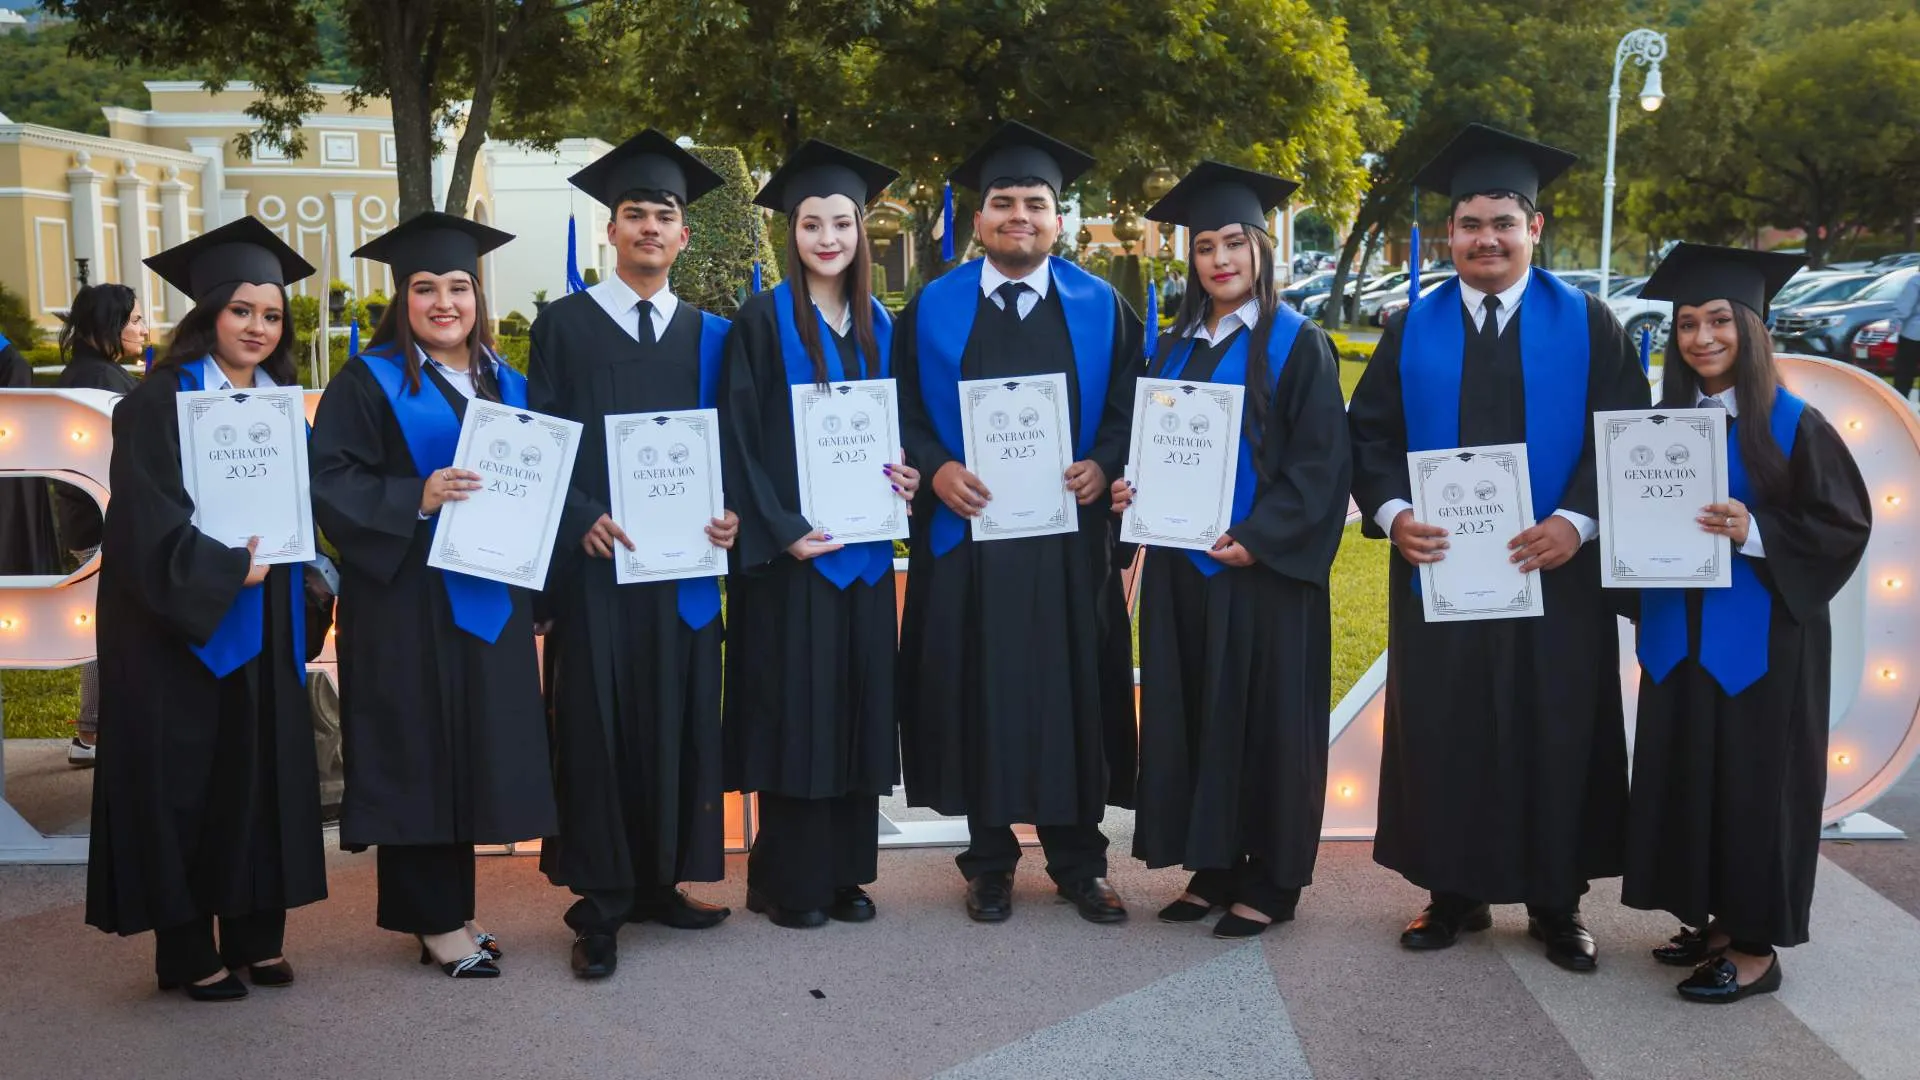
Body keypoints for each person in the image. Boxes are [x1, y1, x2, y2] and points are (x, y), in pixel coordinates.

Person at [1347, 125, 1647, 971]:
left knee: (1555, 726)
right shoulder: (1412, 327)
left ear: (1535, 229)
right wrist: (1395, 514)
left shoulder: (1588, 323)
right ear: (1450, 234)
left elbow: (1624, 435)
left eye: (1504, 224)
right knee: (1449, 726)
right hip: (1442, 573)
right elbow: (1368, 437)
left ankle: (1557, 904)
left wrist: (1577, 522)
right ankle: (1452, 893)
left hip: (1555, 576)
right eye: (1471, 224)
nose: (1487, 239)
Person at [893, 121, 1143, 925]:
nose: (1019, 217)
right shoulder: (932, 308)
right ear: (979, 219)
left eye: (1036, 203)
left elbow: (1130, 407)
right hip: (968, 540)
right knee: (981, 689)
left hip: (1068, 543)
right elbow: (901, 409)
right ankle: (990, 862)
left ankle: (1079, 862)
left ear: (1058, 219)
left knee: (1073, 691)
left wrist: (1103, 460)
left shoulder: (1102, 309)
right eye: (1003, 203)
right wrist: (937, 467)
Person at [310, 212, 559, 979]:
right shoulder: (368, 380)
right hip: (405, 605)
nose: (444, 302)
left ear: (478, 296)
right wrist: (414, 497)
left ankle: (454, 908)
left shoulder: (502, 381)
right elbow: (330, 482)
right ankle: (432, 921)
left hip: (487, 597)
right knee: (417, 751)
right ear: (403, 298)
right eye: (426, 288)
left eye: (458, 287)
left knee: (470, 750)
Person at [1621, 243, 1871, 1003]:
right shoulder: (1657, 428)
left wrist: (1754, 531)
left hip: (1763, 650)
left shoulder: (1795, 424)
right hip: (1679, 642)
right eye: (1687, 323)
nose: (1701, 338)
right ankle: (1714, 922)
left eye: (1719, 320)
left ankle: (1756, 947)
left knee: (1755, 789)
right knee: (1692, 777)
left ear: (1753, 330)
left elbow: (1843, 526)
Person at [85, 217, 327, 1001]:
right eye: (241, 310)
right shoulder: (158, 402)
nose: (258, 328)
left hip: (266, 617)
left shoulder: (280, 405)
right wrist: (226, 571)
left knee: (258, 774)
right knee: (187, 782)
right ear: (209, 313)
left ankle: (256, 936)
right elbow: (142, 522)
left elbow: (302, 503)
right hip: (178, 632)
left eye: (272, 315)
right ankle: (188, 950)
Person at [1111, 162, 1350, 939]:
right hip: (1184, 570)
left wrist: (1259, 538)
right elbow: (1151, 451)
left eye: (1233, 243)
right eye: (1205, 246)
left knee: (1266, 722)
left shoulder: (1298, 343)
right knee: (1195, 714)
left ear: (1261, 249)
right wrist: (1132, 489)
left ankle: (1272, 880)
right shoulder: (1173, 348)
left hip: (1262, 574)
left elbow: (1322, 465)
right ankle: (1211, 865)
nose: (1219, 259)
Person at [530, 130, 741, 980]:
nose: (650, 227)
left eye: (665, 215)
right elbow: (543, 437)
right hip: (598, 574)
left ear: (684, 235)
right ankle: (602, 903)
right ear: (610, 229)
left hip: (684, 575)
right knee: (599, 729)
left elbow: (736, 447)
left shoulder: (715, 336)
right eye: (634, 214)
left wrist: (731, 514)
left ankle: (659, 882)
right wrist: (579, 514)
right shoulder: (563, 327)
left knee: (678, 723)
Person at [720, 141, 918, 928]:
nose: (827, 237)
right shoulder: (760, 321)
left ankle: (844, 874)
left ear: (861, 230)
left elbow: (901, 431)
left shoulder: (882, 325)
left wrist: (907, 477)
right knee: (796, 714)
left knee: (856, 710)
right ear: (790, 231)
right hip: (794, 558)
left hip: (862, 556)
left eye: (841, 222)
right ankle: (785, 880)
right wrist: (783, 530)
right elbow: (736, 439)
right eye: (811, 223)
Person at [51, 283, 145, 767]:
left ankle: (93, 729)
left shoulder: (87, 372)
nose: (145, 330)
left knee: (103, 624)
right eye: (136, 320)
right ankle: (91, 731)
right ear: (110, 324)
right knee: (107, 628)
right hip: (102, 522)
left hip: (88, 520)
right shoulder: (101, 380)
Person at [1892, 265, 1920, 404]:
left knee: (1905, 372)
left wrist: (1894, 324)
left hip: (1913, 334)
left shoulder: (1916, 281)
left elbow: (1904, 307)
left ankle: (1901, 404)